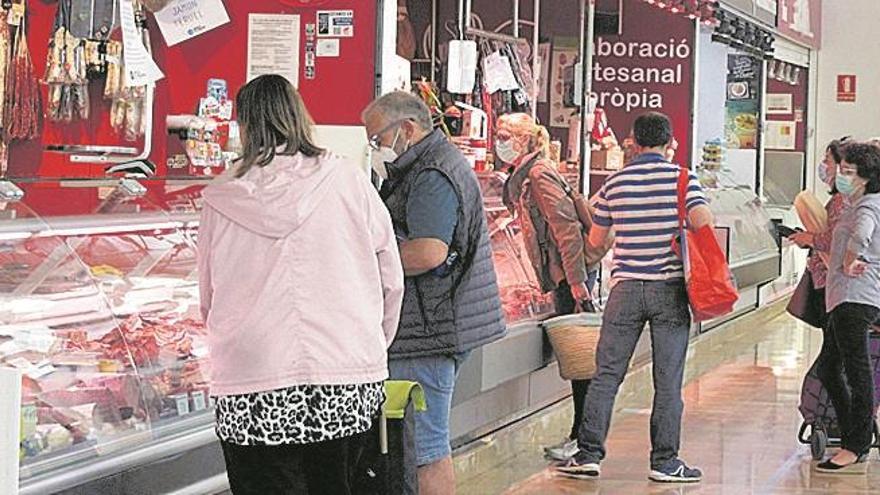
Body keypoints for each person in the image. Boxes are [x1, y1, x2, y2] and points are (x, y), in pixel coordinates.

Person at [198, 75, 405, 495]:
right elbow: (391, 276)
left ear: (245, 126)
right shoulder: (349, 181)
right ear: (299, 116)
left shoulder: (221, 198)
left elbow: (208, 293)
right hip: (345, 373)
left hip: (253, 379)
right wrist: (371, 344)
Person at [362, 92, 506, 495]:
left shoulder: (431, 174)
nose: (375, 149)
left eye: (377, 140)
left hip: (428, 330)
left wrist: (365, 265)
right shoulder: (429, 164)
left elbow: (428, 251)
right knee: (423, 445)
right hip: (433, 324)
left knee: (423, 449)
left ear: (406, 129)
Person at [558, 112, 714, 483]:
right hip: (669, 288)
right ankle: (665, 461)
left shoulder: (616, 183)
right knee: (667, 378)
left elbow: (597, 243)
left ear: (634, 142)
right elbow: (704, 222)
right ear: (668, 143)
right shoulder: (682, 179)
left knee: (606, 374)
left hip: (625, 289)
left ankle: (588, 454)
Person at [496, 112, 600, 462]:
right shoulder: (526, 174)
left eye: (505, 134)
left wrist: (576, 282)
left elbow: (567, 230)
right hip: (565, 277)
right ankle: (582, 436)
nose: (500, 141)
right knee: (579, 359)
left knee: (581, 359)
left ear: (525, 140)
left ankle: (583, 439)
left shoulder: (538, 175)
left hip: (570, 279)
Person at [814, 142, 880, 474]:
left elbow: (863, 234)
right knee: (829, 368)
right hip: (847, 298)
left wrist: (852, 257)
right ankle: (853, 433)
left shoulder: (866, 206)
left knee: (857, 371)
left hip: (855, 298)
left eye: (848, 171)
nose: (840, 175)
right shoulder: (861, 202)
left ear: (866, 177)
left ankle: (856, 445)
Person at [789, 138, 852, 327]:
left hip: (831, 281)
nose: (824, 166)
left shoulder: (842, 201)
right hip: (833, 280)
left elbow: (833, 239)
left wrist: (809, 238)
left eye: (828, 160)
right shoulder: (845, 199)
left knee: (834, 346)